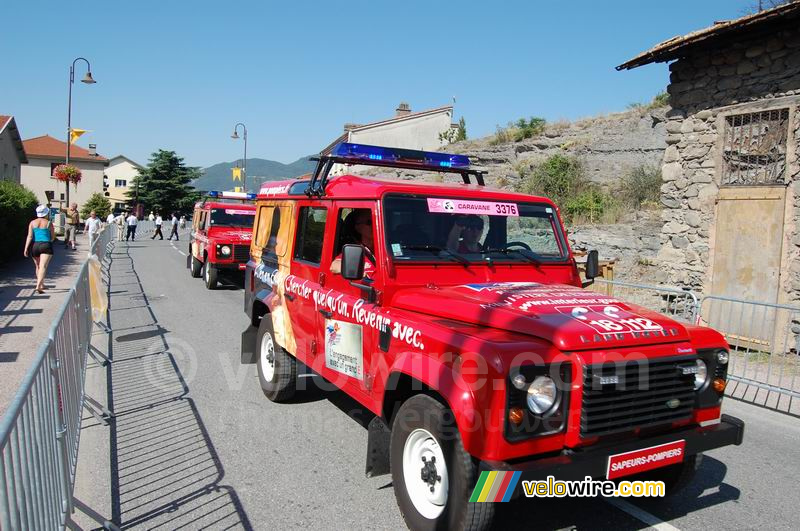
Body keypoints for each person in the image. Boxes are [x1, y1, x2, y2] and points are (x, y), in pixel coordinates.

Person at [330, 209, 375, 277]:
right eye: (370, 222)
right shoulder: (355, 250)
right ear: (358, 228)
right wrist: (358, 271)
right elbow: (334, 266)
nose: (375, 225)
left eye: (376, 221)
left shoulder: (386, 248)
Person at [24, 205, 56, 294]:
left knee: (38, 266)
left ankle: (41, 284)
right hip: (46, 244)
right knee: (43, 266)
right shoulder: (49, 223)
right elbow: (53, 237)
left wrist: (26, 248)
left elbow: (29, 236)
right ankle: (38, 286)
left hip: (35, 245)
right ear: (46, 213)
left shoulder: (32, 223)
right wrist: (50, 240)